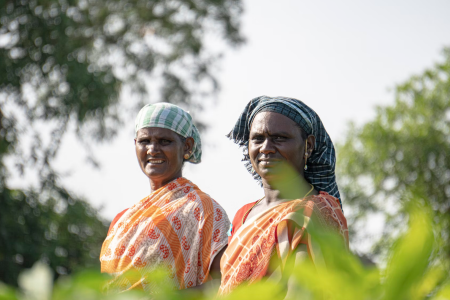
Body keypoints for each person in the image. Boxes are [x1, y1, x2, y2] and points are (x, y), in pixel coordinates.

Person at [219, 96, 349, 296]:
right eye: (258, 138)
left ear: (309, 146)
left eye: (280, 138)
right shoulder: (243, 215)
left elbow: (302, 293)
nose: (266, 148)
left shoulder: (313, 212)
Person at [100, 103, 230, 294]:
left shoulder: (204, 210)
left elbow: (226, 283)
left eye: (164, 141)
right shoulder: (122, 221)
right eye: (145, 141)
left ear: (187, 146)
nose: (153, 149)